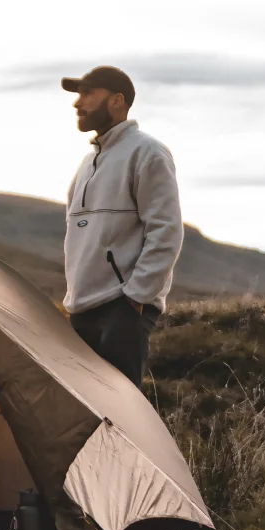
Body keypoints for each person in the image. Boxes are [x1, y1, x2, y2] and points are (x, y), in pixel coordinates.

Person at [60, 66, 183, 389]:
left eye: (88, 93)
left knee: (119, 415)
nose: (78, 103)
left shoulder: (147, 152)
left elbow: (166, 230)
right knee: (85, 412)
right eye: (78, 94)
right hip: (81, 310)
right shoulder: (87, 163)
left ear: (117, 101)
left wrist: (135, 297)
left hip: (121, 308)